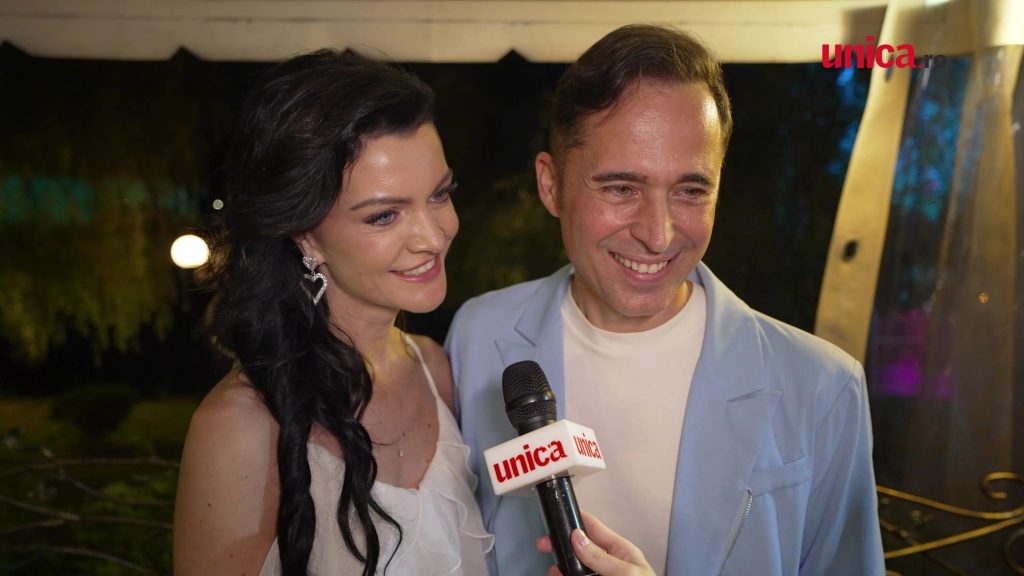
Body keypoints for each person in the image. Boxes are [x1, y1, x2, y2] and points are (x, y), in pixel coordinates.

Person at [445, 24, 885, 576]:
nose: (658, 235)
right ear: (551, 184)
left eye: (690, 191)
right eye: (621, 188)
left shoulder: (823, 385)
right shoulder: (478, 335)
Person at [173, 49, 492, 576]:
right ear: (304, 234)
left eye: (440, 195)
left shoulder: (437, 369)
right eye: (384, 215)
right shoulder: (240, 426)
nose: (434, 237)